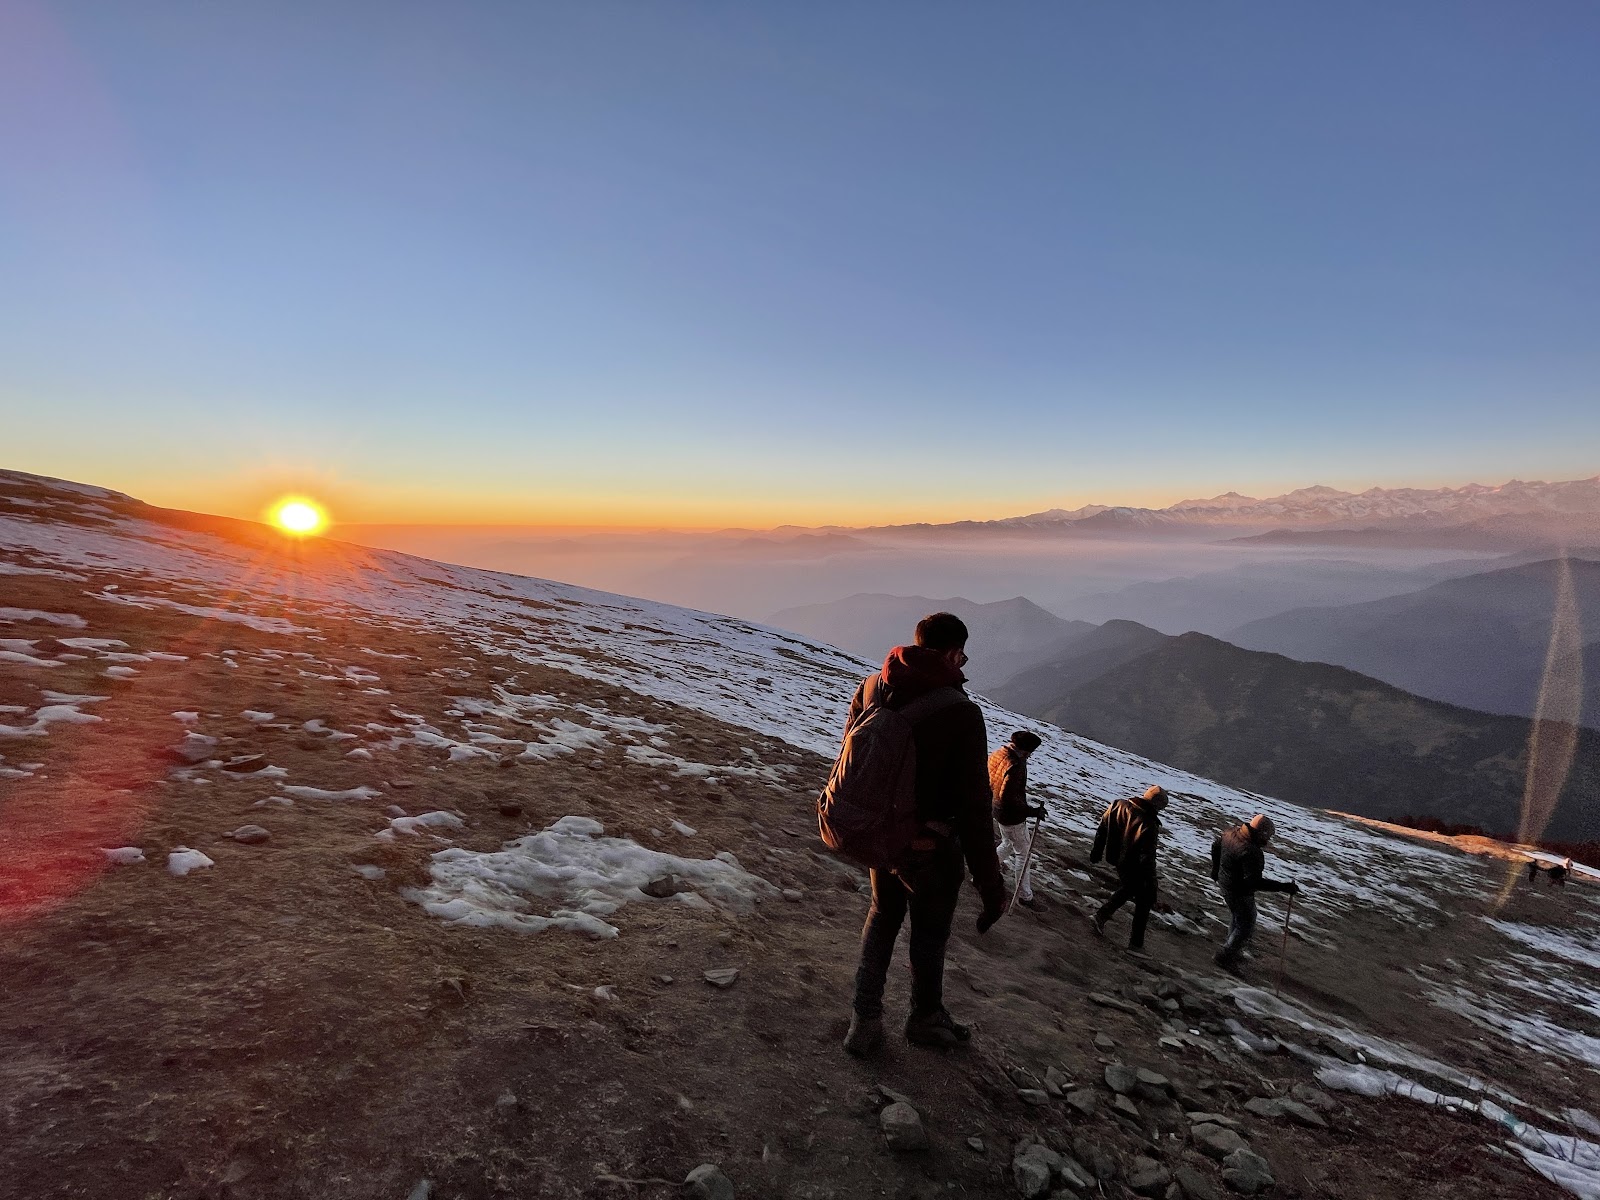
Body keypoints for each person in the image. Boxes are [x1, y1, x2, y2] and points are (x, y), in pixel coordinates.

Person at [842, 613, 1008, 1057]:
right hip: (931, 849)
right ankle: (925, 1019)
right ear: (954, 653)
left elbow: (853, 764)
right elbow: (975, 806)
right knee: (929, 935)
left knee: (882, 918)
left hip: (885, 841)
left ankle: (865, 1020)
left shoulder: (873, 686)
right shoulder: (959, 711)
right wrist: (992, 887)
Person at [1211, 813, 1300, 974]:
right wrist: (1283, 887)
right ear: (1262, 834)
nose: (1268, 841)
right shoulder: (1251, 851)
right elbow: (1254, 882)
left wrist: (1215, 869)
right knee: (1245, 924)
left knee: (1237, 918)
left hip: (1226, 883)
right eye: (1268, 837)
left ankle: (1231, 949)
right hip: (1239, 891)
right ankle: (1225, 956)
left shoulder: (1230, 833)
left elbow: (1216, 846)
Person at [1089, 785, 1168, 954]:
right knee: (1143, 898)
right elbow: (1147, 859)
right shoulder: (1149, 824)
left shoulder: (1118, 805)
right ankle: (1135, 945)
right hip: (1133, 865)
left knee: (1129, 889)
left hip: (1116, 857)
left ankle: (1101, 918)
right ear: (1157, 806)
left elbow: (1102, 828)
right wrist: (1153, 885)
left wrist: (1097, 851)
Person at [990, 730, 1045, 908]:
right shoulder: (1016, 764)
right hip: (1011, 815)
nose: (1030, 756)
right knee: (1023, 853)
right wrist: (1031, 811)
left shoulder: (999, 753)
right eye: (1030, 752)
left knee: (1007, 843)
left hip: (995, 809)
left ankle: (984, 874)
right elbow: (1008, 796)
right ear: (1025, 750)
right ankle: (1025, 896)